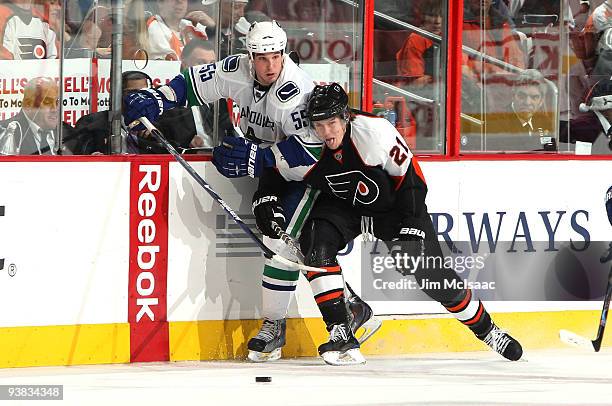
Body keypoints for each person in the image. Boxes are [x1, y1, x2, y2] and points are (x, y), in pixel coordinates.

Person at [122, 20, 378, 363]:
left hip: (307, 174)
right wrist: (160, 97)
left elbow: (310, 155)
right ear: (250, 55)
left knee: (280, 241)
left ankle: (276, 326)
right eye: (262, 57)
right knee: (278, 234)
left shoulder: (296, 91)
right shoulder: (237, 69)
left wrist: (256, 157)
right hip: (272, 168)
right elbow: (196, 84)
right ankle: (350, 304)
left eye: (276, 56)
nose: (270, 65)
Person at [249, 83, 524, 362]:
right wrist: (265, 199)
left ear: (345, 116)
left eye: (332, 123)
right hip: (345, 207)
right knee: (315, 242)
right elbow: (275, 169)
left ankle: (487, 330)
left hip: (394, 209)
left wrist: (413, 225)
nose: (326, 133)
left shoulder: (375, 133)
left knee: (434, 280)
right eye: (319, 125)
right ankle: (341, 332)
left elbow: (412, 181)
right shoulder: (307, 142)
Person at [73, 71, 202, 154]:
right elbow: (78, 155)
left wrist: (157, 140)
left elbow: (176, 155)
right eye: (133, 93)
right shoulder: (92, 124)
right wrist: (91, 158)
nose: (140, 98)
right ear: (116, 95)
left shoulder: (162, 125)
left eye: (144, 93)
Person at [0, 77, 74, 155]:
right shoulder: (6, 132)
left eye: (57, 102)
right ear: (28, 104)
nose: (55, 109)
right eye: (47, 102)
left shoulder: (67, 132)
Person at [484, 69, 554, 140]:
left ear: (541, 101)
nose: (527, 102)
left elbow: (549, 148)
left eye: (534, 97)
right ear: (513, 95)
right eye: (522, 96)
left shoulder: (544, 121)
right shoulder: (496, 122)